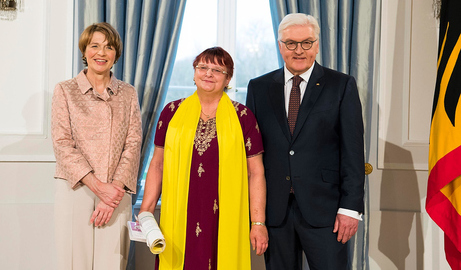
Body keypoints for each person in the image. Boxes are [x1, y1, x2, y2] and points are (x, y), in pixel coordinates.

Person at [246, 13, 365, 270]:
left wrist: (350, 209)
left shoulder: (341, 85)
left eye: (306, 43)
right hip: (275, 213)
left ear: (317, 44)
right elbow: (251, 155)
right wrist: (256, 219)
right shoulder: (258, 87)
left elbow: (353, 152)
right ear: (280, 46)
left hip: (327, 212)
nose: (299, 50)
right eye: (291, 43)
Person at [139, 47, 268, 270]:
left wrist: (258, 223)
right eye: (203, 67)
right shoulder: (171, 112)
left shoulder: (243, 117)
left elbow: (255, 173)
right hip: (179, 213)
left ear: (228, 78)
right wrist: (146, 211)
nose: (208, 73)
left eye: (218, 70)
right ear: (194, 73)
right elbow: (158, 165)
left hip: (224, 216)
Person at [51, 22, 142, 269]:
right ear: (85, 51)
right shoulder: (65, 90)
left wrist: (112, 190)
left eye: (109, 47)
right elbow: (62, 143)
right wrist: (97, 186)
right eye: (95, 46)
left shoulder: (128, 93)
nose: (101, 53)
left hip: (116, 192)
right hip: (76, 188)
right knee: (74, 262)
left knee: (111, 264)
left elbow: (133, 144)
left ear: (116, 55)